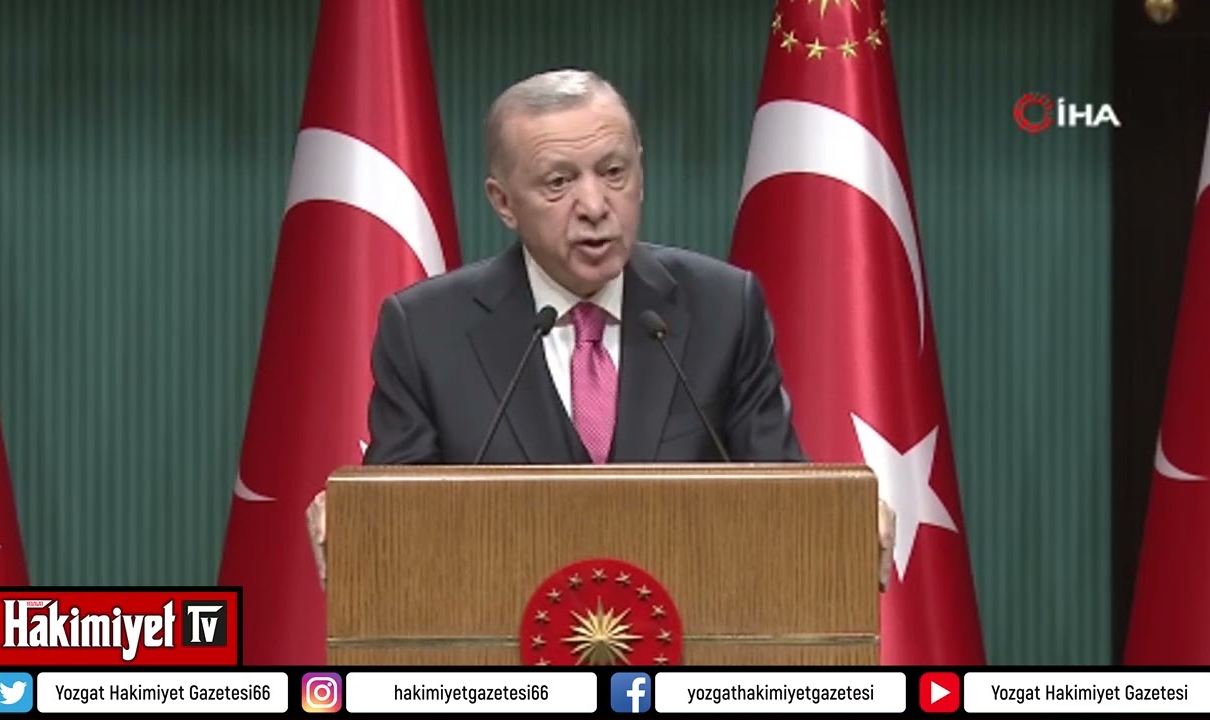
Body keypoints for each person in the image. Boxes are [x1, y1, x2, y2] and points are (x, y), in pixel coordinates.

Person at [308, 69, 894, 585]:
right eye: (558, 182)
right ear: (504, 202)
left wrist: (837, 515)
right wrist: (360, 517)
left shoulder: (723, 308)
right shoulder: (425, 330)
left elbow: (782, 496)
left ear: (641, 173)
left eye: (614, 172)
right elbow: (397, 517)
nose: (594, 205)